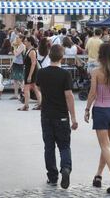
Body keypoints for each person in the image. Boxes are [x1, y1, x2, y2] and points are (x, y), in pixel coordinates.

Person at [84, 43, 110, 194]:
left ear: (101, 56)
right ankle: (98, 176)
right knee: (106, 146)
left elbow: (92, 93)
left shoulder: (96, 72)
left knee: (105, 146)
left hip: (101, 110)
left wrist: (87, 109)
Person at [36, 44, 78, 189]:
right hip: (62, 115)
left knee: (49, 146)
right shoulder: (65, 74)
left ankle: (52, 176)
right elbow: (69, 96)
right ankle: (65, 168)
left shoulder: (41, 73)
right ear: (62, 57)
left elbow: (38, 88)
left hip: (46, 114)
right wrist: (73, 118)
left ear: (49, 55)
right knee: (64, 146)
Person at [18, 36, 42, 111]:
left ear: (30, 42)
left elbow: (33, 63)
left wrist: (29, 76)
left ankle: (26, 105)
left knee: (27, 88)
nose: (24, 42)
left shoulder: (32, 51)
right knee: (34, 88)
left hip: (31, 72)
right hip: (30, 71)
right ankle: (40, 104)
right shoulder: (29, 50)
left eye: (25, 41)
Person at [9, 34, 25, 100]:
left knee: (20, 79)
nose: (16, 39)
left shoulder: (22, 46)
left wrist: (14, 47)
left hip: (20, 64)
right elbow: (15, 57)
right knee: (15, 79)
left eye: (17, 38)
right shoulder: (18, 46)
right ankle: (15, 95)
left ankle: (23, 93)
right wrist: (11, 65)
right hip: (15, 63)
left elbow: (16, 54)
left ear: (21, 39)